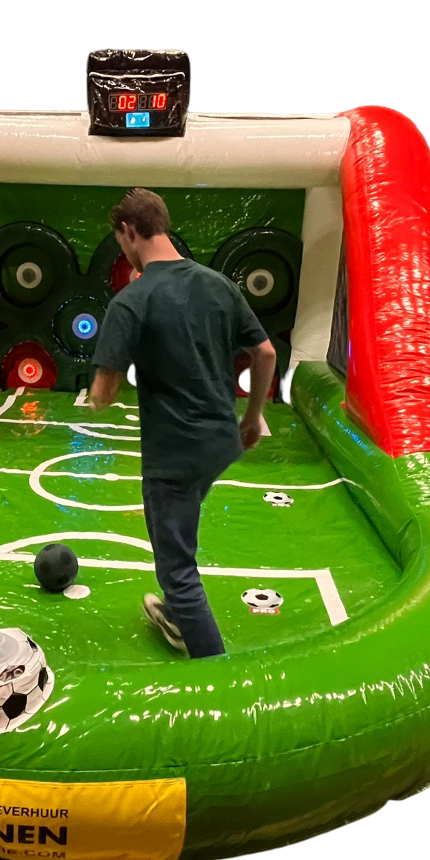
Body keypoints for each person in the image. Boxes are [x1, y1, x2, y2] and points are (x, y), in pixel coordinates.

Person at [88, 188, 276, 658]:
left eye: (120, 242)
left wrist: (93, 400)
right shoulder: (218, 284)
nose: (123, 251)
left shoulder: (132, 300)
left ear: (129, 231)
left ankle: (216, 674)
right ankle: (176, 615)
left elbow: (103, 393)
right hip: (220, 443)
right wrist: (253, 415)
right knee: (184, 517)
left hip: (173, 454)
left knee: (177, 570)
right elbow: (266, 353)